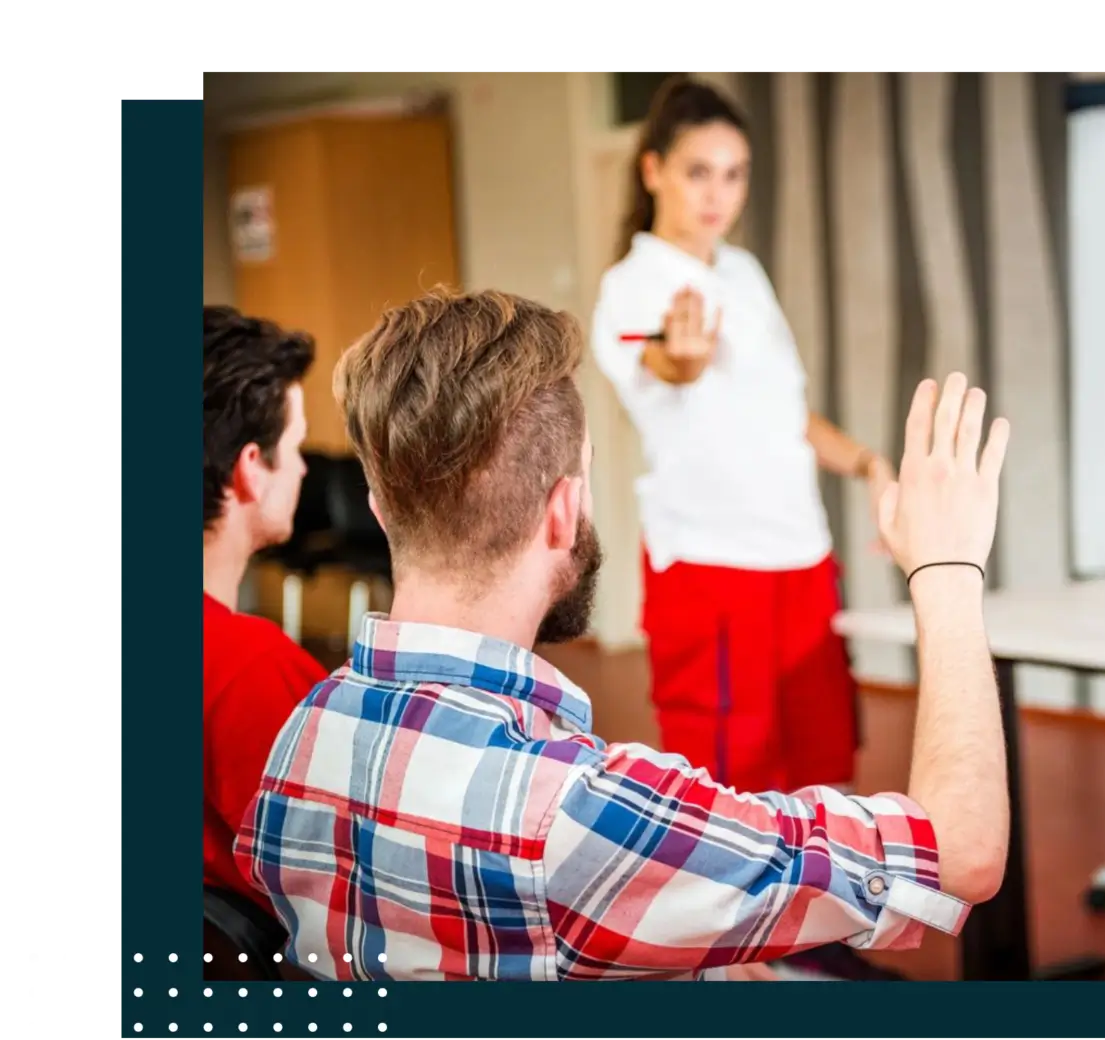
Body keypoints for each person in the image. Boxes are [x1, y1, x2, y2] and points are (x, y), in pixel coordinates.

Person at [233, 287, 1014, 983]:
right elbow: (959, 854)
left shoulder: (304, 734)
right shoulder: (569, 814)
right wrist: (945, 567)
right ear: (564, 511)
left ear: (379, 508)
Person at [587, 77, 904, 979]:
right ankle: (731, 967)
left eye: (734, 173)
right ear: (653, 171)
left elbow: (786, 414)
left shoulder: (746, 274)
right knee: (728, 781)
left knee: (814, 764)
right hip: (711, 563)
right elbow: (668, 365)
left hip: (797, 552)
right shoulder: (634, 285)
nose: (717, 192)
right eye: (698, 171)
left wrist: (868, 462)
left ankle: (812, 940)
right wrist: (681, 355)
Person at [203, 305, 328, 916]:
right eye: (296, 445)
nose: (302, 466)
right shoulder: (248, 667)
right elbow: (335, 888)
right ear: (250, 470)